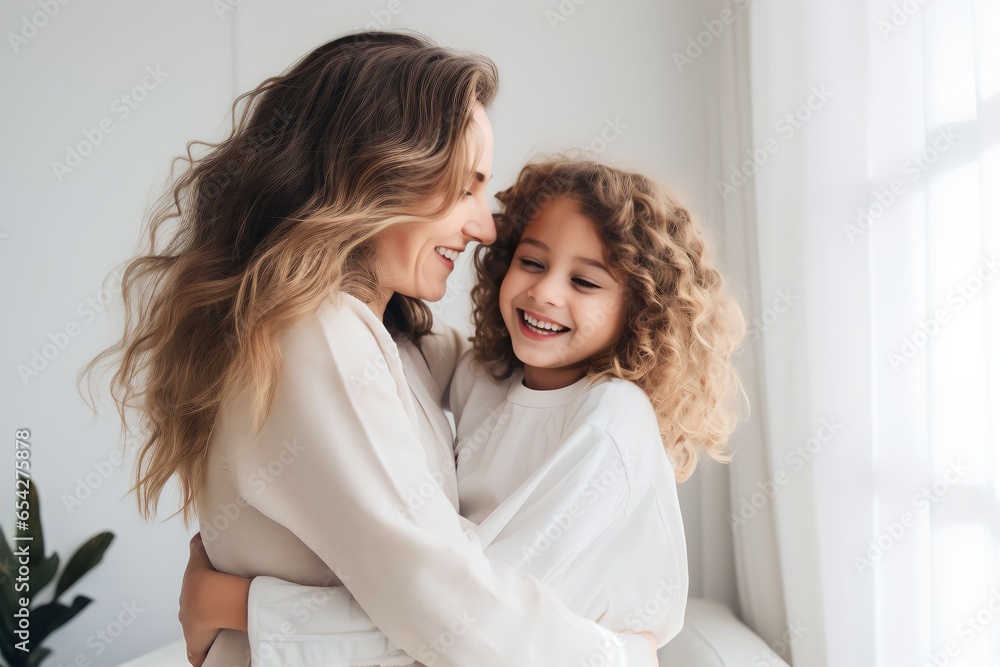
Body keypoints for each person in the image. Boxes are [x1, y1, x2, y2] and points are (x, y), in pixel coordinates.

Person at [81, 32, 666, 667]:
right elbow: (446, 610)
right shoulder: (315, 335)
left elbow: (502, 370)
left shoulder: (382, 335)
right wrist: (622, 655)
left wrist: (237, 605)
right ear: (381, 173)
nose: (485, 226)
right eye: (464, 189)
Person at [178, 158, 748, 665]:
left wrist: (243, 606)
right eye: (531, 261)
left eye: (584, 281)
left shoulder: (610, 419)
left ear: (641, 309)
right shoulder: (485, 374)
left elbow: (465, 621)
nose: (546, 292)